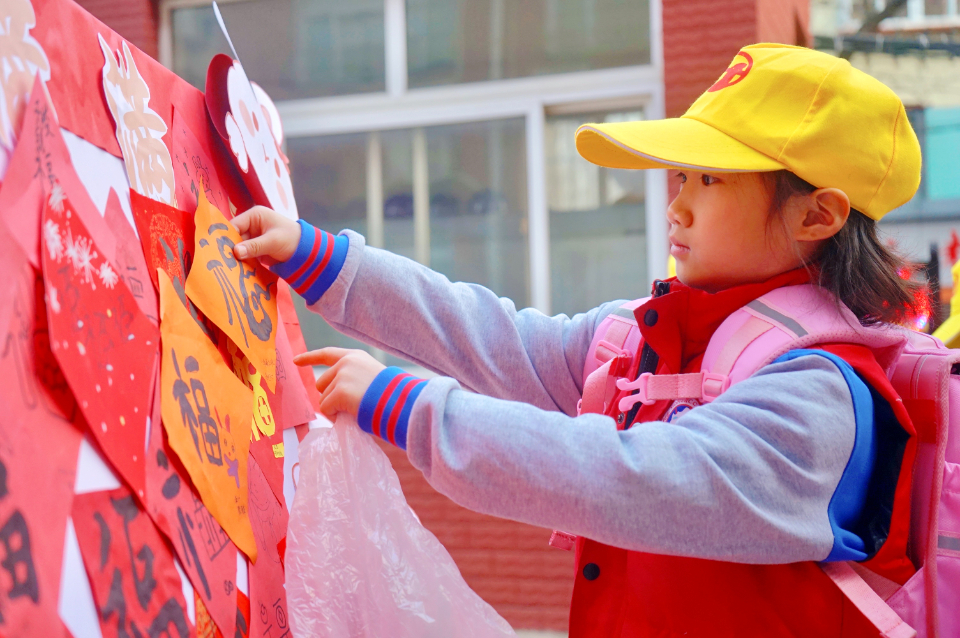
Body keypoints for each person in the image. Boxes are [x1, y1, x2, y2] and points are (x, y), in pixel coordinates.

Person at [231, 44, 924, 637]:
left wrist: (407, 406)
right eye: (680, 176)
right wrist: (320, 260)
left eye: (710, 180)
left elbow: (630, 477)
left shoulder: (820, 395)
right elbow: (498, 340)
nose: (676, 204)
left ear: (818, 215)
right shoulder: (645, 335)